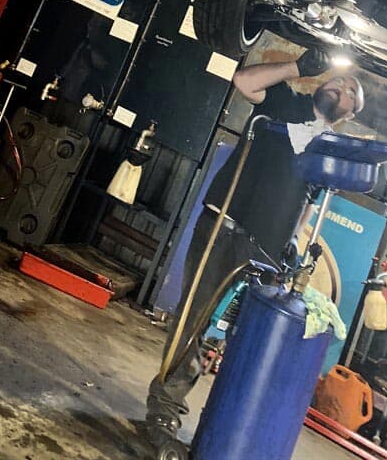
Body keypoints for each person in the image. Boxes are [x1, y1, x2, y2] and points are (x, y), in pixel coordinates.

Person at [145, 50, 364, 449]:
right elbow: (244, 81)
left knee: (247, 339)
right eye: (340, 80)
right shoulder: (286, 101)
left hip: (265, 249)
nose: (342, 87)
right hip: (224, 223)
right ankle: (163, 410)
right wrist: (298, 67)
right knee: (194, 317)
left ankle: (224, 430)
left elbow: (309, 202)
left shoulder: (330, 147)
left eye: (351, 92)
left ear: (349, 114)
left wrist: (296, 242)